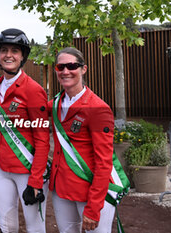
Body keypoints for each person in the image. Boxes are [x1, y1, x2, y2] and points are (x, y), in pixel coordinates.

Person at [49, 47, 116, 232]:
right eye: (60, 67)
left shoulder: (98, 108)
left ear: (83, 69)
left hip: (91, 192)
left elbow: (104, 163)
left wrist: (94, 207)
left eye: (72, 66)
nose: (65, 71)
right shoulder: (56, 103)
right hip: (61, 190)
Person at [0, 28, 50, 233]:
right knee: (7, 226)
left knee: (34, 227)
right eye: (4, 50)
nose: (8, 55)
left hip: (26, 169)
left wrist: (36, 180)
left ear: (23, 56)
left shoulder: (33, 90)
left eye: (15, 51)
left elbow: (42, 140)